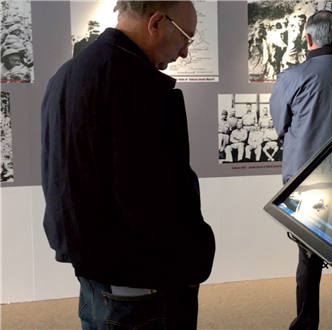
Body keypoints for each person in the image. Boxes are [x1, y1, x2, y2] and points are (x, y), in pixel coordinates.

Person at [41, 1, 215, 329]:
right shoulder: (139, 87)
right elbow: (155, 200)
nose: (184, 53)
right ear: (157, 23)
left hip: (96, 274)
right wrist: (195, 259)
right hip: (142, 281)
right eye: (185, 38)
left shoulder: (66, 75)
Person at [269, 10, 332, 330]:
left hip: (304, 179)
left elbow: (279, 125)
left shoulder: (291, 77)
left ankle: (306, 324)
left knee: (308, 258)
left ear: (308, 38)